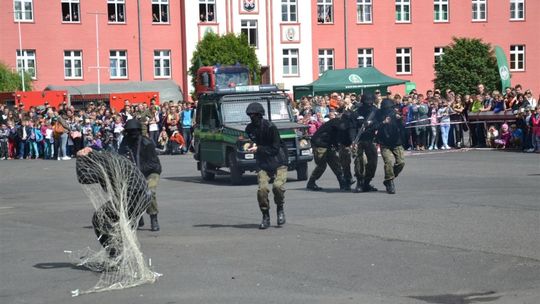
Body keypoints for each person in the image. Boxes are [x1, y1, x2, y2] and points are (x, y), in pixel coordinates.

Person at [76, 147, 152, 258]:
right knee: (117, 226)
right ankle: (118, 254)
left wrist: (80, 158)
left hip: (133, 197)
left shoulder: (104, 164)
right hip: (143, 196)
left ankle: (115, 256)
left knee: (99, 219)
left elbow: (83, 178)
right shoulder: (111, 159)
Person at [245, 102, 288, 229]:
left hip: (278, 161)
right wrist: (249, 145)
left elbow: (274, 149)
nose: (252, 117)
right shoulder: (249, 129)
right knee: (262, 190)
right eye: (250, 115)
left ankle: (280, 209)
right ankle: (265, 215)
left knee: (277, 186)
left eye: (254, 115)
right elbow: (251, 141)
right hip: (262, 163)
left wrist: (258, 148)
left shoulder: (271, 127)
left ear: (260, 115)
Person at [118, 119, 162, 231]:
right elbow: (120, 157)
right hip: (134, 172)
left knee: (149, 192)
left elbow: (153, 164)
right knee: (130, 193)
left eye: (134, 131)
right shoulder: (125, 142)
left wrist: (138, 169)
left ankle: (153, 217)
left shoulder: (147, 143)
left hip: (151, 172)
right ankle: (137, 216)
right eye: (129, 131)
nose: (132, 133)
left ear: (139, 131)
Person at [306, 114, 354, 191]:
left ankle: (342, 183)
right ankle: (311, 182)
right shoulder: (337, 123)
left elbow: (338, 136)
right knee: (321, 165)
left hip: (328, 144)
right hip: (320, 143)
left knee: (335, 163)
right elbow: (341, 130)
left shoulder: (338, 123)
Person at [375, 99, 406, 194]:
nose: (389, 110)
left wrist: (400, 120)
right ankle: (390, 182)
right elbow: (375, 126)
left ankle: (390, 177)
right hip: (384, 142)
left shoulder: (395, 114)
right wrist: (383, 122)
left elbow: (402, 128)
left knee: (401, 162)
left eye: (390, 108)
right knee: (388, 162)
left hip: (396, 142)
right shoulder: (378, 114)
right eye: (386, 108)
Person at [352, 93, 378, 192]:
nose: (369, 104)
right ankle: (359, 182)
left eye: (371, 102)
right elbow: (353, 127)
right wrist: (352, 141)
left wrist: (371, 124)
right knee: (359, 161)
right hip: (359, 140)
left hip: (370, 139)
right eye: (367, 102)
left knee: (373, 162)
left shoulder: (375, 111)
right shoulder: (357, 112)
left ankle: (367, 182)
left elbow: (379, 123)